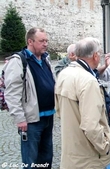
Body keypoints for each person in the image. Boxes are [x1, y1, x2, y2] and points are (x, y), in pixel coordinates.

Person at [55, 37, 110, 168]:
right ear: (95, 55)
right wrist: (105, 146)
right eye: (99, 53)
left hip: (71, 148)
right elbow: (91, 126)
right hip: (88, 156)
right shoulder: (88, 81)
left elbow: (58, 110)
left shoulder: (64, 74)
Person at [3, 27, 55, 168]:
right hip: (31, 120)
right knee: (31, 160)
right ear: (30, 41)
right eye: (41, 41)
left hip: (48, 116)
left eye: (46, 41)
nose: (45, 44)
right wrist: (20, 119)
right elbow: (12, 93)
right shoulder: (19, 61)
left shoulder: (45, 59)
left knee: (46, 157)